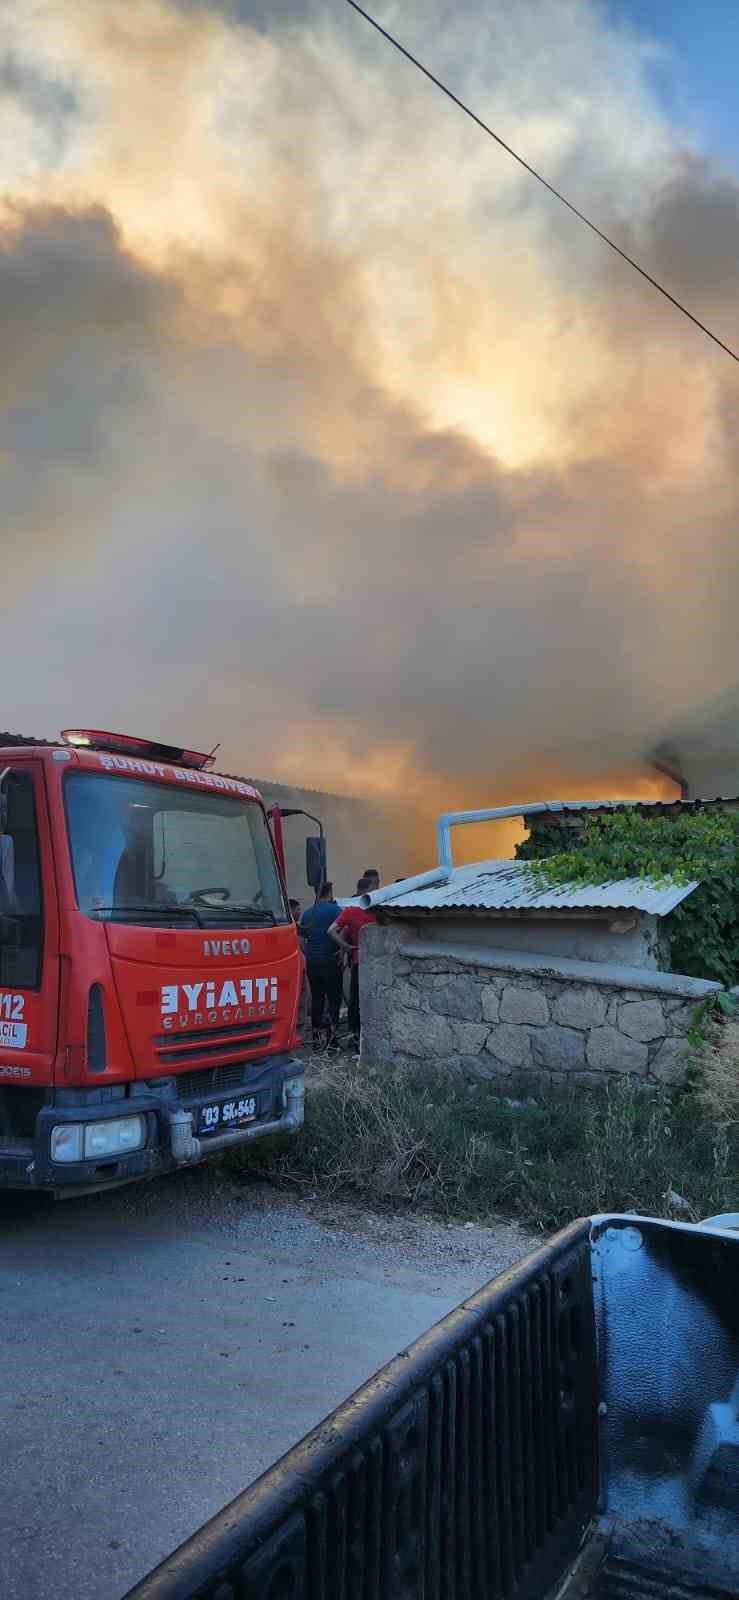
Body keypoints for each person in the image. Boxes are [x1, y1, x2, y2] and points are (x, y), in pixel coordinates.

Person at [329, 875, 377, 1047]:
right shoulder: (377, 909)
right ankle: (364, 1034)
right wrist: (345, 948)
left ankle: (355, 1033)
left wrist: (345, 948)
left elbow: (332, 931)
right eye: (376, 885)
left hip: (358, 961)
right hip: (374, 963)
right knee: (369, 999)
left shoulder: (350, 910)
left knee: (356, 999)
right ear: (369, 887)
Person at [299, 881, 342, 1049]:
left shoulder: (308, 913)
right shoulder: (335, 910)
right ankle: (332, 1040)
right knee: (333, 1000)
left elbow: (303, 940)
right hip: (330, 960)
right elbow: (342, 931)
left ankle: (317, 1039)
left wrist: (310, 954)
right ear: (330, 892)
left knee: (317, 999)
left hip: (313, 962)